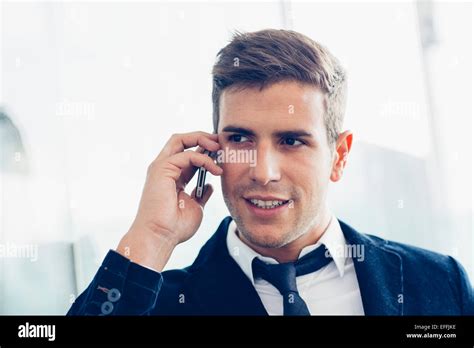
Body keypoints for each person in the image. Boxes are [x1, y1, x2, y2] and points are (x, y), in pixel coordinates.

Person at [67, 29, 473, 316]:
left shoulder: (438, 282)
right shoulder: (154, 304)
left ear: (339, 156)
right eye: (241, 139)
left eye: (292, 141)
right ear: (213, 149)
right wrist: (150, 238)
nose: (262, 172)